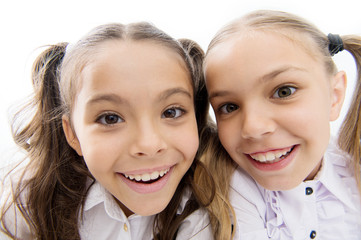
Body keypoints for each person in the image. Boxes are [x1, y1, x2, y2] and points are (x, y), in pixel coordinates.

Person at [0, 22, 216, 240]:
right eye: (110, 118)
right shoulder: (28, 200)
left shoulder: (210, 206)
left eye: (171, 112)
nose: (149, 145)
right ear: (73, 134)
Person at [203, 10, 361, 239]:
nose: (253, 128)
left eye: (283, 92)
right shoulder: (228, 194)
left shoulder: (353, 175)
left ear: (334, 96)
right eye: (229, 107)